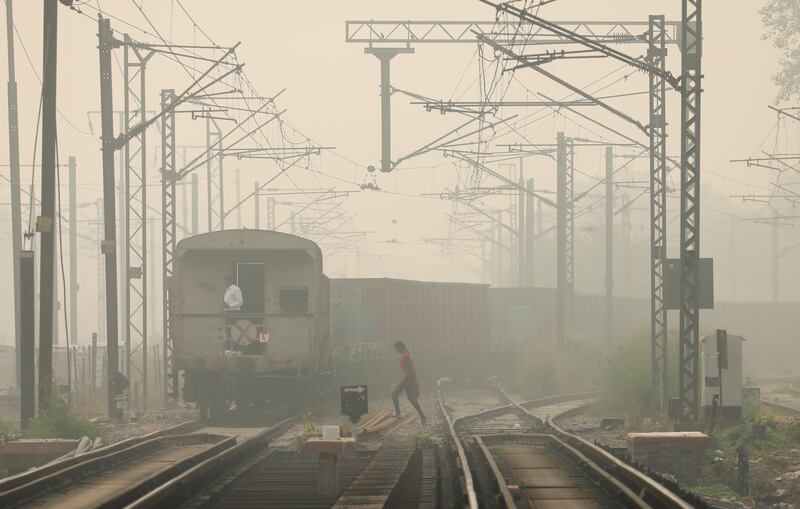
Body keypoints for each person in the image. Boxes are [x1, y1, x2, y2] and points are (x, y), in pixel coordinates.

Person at [391, 340, 427, 424]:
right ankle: (422, 415)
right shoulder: (405, 355)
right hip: (408, 379)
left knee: (394, 394)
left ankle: (398, 413)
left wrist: (402, 381)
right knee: (411, 399)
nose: (395, 350)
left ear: (399, 347)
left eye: (395, 348)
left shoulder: (405, 356)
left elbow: (409, 371)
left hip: (408, 380)